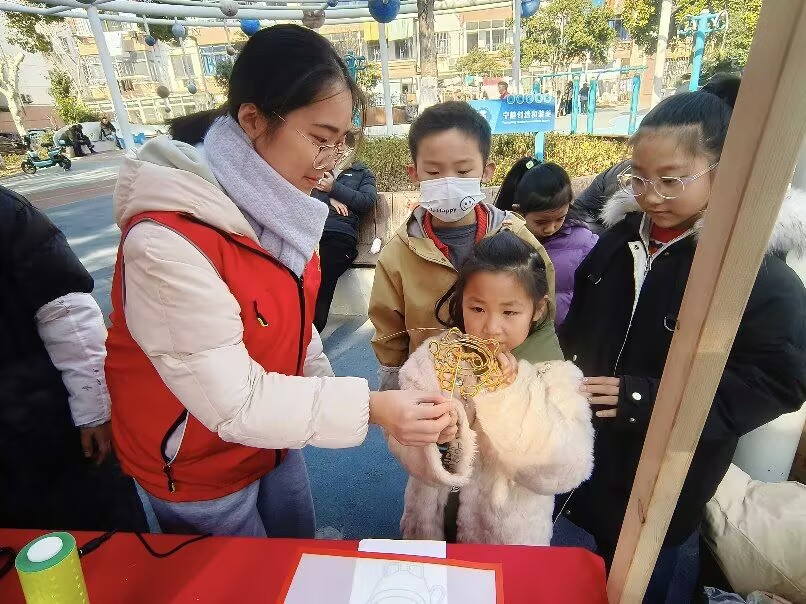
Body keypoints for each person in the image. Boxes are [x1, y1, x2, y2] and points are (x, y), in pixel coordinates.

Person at [105, 24, 455, 539]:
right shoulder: (166, 243)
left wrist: (337, 393)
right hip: (199, 459)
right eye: (318, 139)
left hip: (273, 433)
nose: (329, 163)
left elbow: (295, 328)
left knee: (295, 549)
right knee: (240, 582)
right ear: (251, 119)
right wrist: (371, 408)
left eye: (341, 143)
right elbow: (234, 403)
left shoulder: (280, 212)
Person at [558, 77, 806, 600]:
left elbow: (776, 378)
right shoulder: (618, 242)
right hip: (594, 445)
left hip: (673, 468)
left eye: (671, 180)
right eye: (640, 179)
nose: (651, 196)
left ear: (725, 171)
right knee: (596, 556)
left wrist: (647, 397)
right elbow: (581, 325)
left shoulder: (753, 274)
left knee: (647, 570)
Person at [387, 231, 593, 544]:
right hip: (430, 524)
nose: (491, 327)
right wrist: (437, 441)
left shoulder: (556, 375)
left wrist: (509, 392)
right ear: (461, 302)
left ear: (537, 309)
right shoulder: (435, 357)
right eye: (477, 309)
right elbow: (401, 438)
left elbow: (563, 471)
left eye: (510, 312)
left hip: (506, 538)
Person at [368, 101, 557, 392]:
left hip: (506, 388)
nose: (448, 183)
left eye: (463, 170)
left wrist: (529, 379)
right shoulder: (399, 253)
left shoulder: (517, 237)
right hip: (433, 393)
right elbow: (389, 336)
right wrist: (395, 392)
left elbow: (541, 313)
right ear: (414, 172)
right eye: (433, 172)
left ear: (487, 170)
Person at [0, 185, 146, 532]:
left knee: (97, 537)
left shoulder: (7, 213)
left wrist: (94, 411)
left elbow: (65, 311)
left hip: (40, 426)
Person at [495, 159, 598, 325]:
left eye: (560, 218)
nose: (551, 228)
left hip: (565, 335)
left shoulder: (584, 243)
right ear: (518, 212)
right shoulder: (505, 241)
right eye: (541, 222)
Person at [311, 153, 377, 332]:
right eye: (336, 145)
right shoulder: (316, 167)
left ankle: (311, 335)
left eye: (343, 145)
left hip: (338, 233)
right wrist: (329, 197)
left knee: (323, 276)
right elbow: (300, 194)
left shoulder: (362, 172)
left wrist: (334, 188)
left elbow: (367, 201)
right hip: (310, 231)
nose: (338, 150)